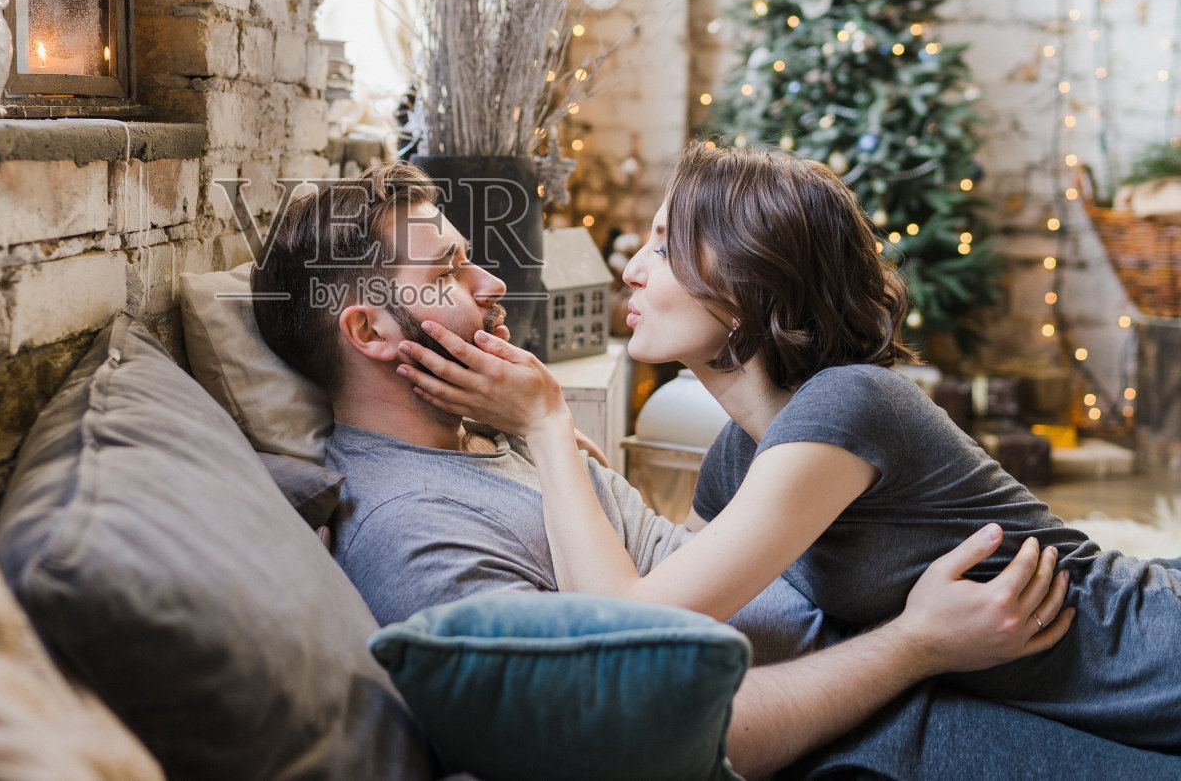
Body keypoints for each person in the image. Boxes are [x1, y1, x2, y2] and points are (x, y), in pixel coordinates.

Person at [251, 161, 1084, 779]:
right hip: (888, 725)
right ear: (369, 333)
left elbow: (664, 555)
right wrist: (914, 645)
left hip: (922, 645)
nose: (493, 281)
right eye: (448, 273)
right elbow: (666, 731)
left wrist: (558, 452)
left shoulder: (487, 432)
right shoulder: (410, 528)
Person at [397, 142, 1181, 754]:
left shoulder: (847, 404)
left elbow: (624, 622)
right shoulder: (737, 458)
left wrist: (545, 426)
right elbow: (672, 619)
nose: (630, 270)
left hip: (1153, 658)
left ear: (747, 275)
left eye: (664, 247)